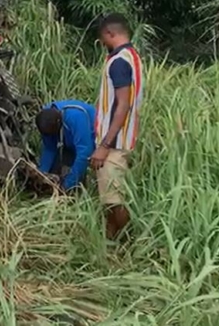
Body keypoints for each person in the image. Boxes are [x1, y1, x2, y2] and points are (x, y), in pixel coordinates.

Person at [92, 13, 144, 241]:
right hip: (123, 140)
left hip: (114, 143)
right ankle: (110, 244)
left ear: (110, 33)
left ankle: (128, 244)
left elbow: (122, 105)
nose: (103, 43)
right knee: (109, 198)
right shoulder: (132, 57)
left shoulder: (119, 62)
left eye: (103, 38)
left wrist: (104, 145)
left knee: (114, 200)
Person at [36, 100, 96, 191]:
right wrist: (41, 174)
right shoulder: (45, 117)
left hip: (91, 141)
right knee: (53, 173)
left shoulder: (76, 117)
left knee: (77, 179)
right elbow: (49, 148)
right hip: (68, 142)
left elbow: (84, 152)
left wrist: (67, 186)